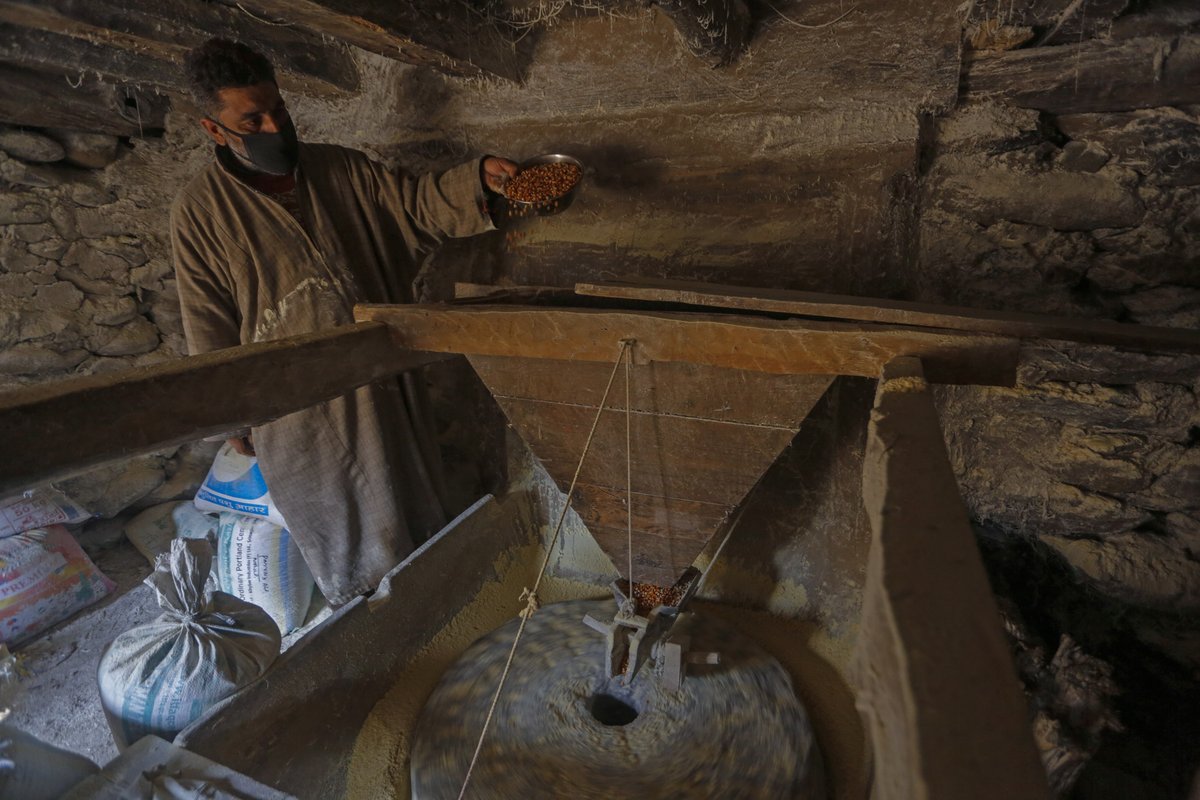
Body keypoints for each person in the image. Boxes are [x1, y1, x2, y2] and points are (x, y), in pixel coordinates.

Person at [171, 38, 517, 605]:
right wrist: (232, 414)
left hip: (384, 378)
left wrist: (478, 179)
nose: (273, 126)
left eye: (277, 110)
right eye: (251, 119)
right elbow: (207, 318)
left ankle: (440, 610)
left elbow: (414, 207)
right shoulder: (200, 213)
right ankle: (370, 626)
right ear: (215, 130)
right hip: (300, 413)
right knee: (348, 534)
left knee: (413, 502)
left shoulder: (340, 169)